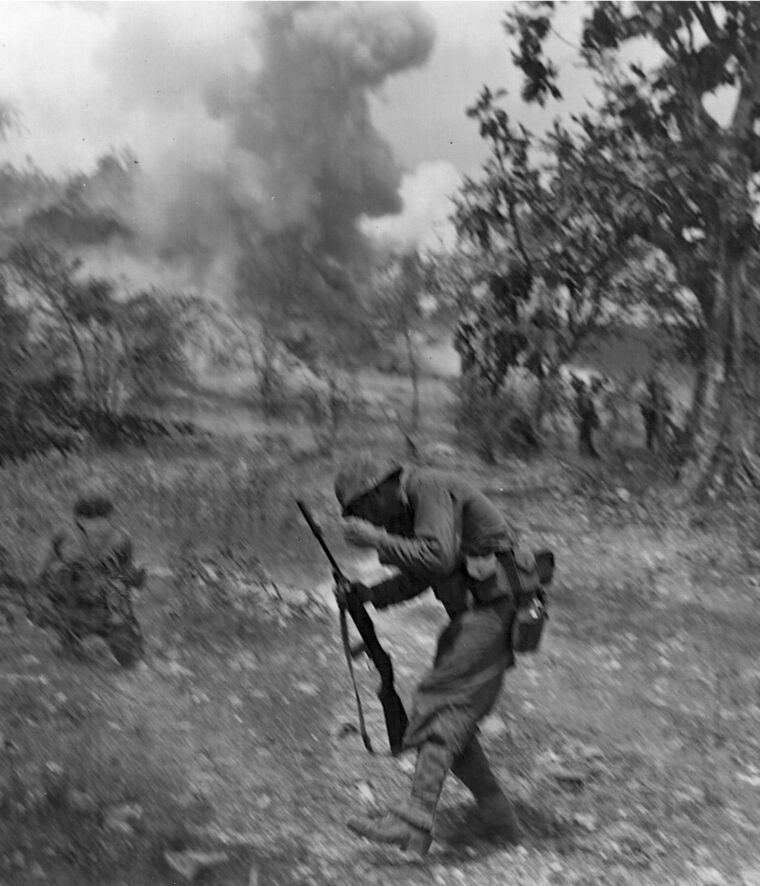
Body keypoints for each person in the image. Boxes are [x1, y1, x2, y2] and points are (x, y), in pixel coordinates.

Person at [334, 453, 538, 856]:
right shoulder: (404, 509)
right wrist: (368, 595)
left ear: (380, 488)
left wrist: (376, 540)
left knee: (439, 700)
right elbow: (421, 576)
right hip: (475, 614)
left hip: (496, 610)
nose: (373, 522)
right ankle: (497, 816)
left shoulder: (427, 487)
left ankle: (416, 818)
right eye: (363, 518)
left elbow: (437, 556)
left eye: (366, 511)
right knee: (452, 723)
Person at [34, 482, 146, 667]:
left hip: (69, 599)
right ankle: (127, 654)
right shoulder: (121, 536)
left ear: (77, 514)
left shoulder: (64, 532)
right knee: (118, 607)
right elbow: (126, 573)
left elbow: (45, 567)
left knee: (65, 599)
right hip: (106, 601)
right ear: (110, 512)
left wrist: (40, 590)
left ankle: (69, 644)